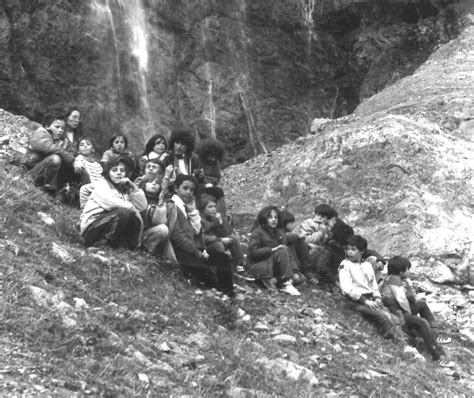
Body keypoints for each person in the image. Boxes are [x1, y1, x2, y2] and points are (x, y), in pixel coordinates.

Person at [80, 158, 168, 253]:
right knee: (124, 212)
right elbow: (111, 202)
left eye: (122, 171)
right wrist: (83, 210)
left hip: (106, 224)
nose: (118, 173)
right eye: (114, 170)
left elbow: (142, 206)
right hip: (92, 227)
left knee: (129, 214)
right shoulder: (102, 184)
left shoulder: (123, 189)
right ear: (108, 173)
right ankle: (102, 244)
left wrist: (134, 187)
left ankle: (123, 246)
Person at [166, 174, 234, 296]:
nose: (188, 192)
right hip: (181, 253)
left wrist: (192, 210)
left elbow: (197, 231)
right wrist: (196, 252)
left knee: (221, 260)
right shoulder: (173, 206)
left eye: (191, 190)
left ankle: (225, 293)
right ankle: (228, 295)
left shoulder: (185, 206)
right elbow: (177, 236)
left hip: (190, 250)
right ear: (176, 189)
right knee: (221, 261)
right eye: (185, 188)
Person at [380, 256, 454, 367]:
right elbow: (402, 300)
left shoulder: (394, 278)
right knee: (422, 322)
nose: (409, 271)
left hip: (400, 310)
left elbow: (412, 298)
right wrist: (409, 313)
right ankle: (436, 356)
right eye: (407, 269)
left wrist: (409, 285)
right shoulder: (394, 279)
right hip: (398, 313)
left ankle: (434, 333)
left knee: (422, 304)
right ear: (401, 271)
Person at [339, 235, 406, 344]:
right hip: (355, 301)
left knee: (395, 318)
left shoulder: (367, 266)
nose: (349, 252)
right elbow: (346, 287)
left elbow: (373, 285)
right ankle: (401, 345)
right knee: (383, 316)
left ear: (361, 251)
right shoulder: (345, 265)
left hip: (370, 299)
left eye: (353, 249)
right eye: (348, 249)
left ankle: (403, 341)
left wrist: (377, 298)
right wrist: (365, 301)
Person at [245, 206, 300, 296]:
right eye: (270, 217)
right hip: (258, 264)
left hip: (272, 264)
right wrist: (272, 249)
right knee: (281, 251)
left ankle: (277, 280)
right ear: (264, 219)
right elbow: (253, 252)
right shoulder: (257, 233)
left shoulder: (279, 233)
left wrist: (295, 271)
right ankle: (285, 282)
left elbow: (288, 253)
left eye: (276, 217)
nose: (273, 220)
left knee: (300, 278)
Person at [22, 113, 75, 195]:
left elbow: (71, 153)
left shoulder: (64, 141)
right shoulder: (40, 134)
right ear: (47, 126)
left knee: (76, 169)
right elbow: (50, 147)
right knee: (55, 159)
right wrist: (69, 158)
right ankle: (49, 190)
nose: (60, 130)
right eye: (57, 127)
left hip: (49, 175)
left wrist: (74, 161)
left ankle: (65, 194)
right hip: (33, 173)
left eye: (62, 128)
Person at [199, 193, 245, 272]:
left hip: (213, 242)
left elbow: (226, 234)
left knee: (233, 238)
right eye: (210, 207)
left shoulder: (213, 217)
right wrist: (220, 239)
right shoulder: (199, 220)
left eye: (214, 206)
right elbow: (202, 238)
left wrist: (221, 223)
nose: (213, 209)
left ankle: (239, 265)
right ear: (203, 209)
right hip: (202, 248)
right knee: (219, 245)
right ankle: (222, 270)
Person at [195, 138, 227, 217]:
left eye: (215, 157)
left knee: (219, 192)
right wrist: (200, 177)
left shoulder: (216, 163)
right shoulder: (198, 160)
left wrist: (209, 181)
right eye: (211, 156)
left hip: (211, 185)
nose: (213, 159)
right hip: (198, 185)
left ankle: (223, 217)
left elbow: (217, 177)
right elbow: (195, 174)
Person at [278, 210, 309, 285]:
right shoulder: (280, 232)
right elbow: (286, 238)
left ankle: (302, 271)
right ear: (284, 223)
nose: (293, 225)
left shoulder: (285, 233)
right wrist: (299, 236)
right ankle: (302, 272)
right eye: (291, 223)